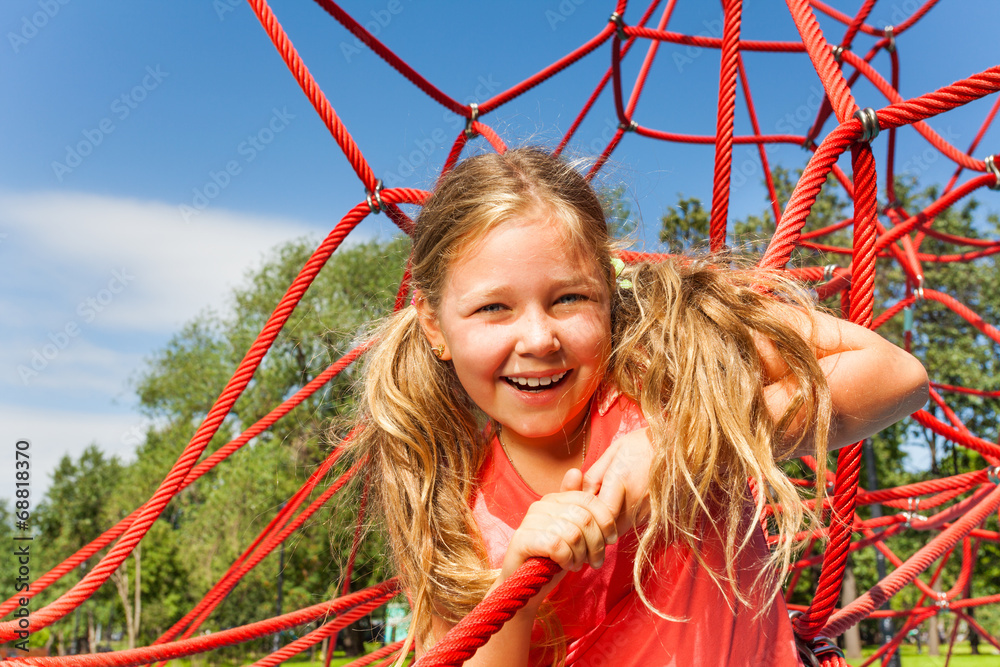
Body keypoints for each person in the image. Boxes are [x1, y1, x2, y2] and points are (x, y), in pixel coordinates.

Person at [350, 148, 928, 665]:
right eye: (492, 308)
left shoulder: (669, 366)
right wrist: (513, 594)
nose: (537, 340)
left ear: (607, 290)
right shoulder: (452, 506)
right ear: (434, 326)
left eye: (569, 298)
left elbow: (896, 374)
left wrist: (686, 446)